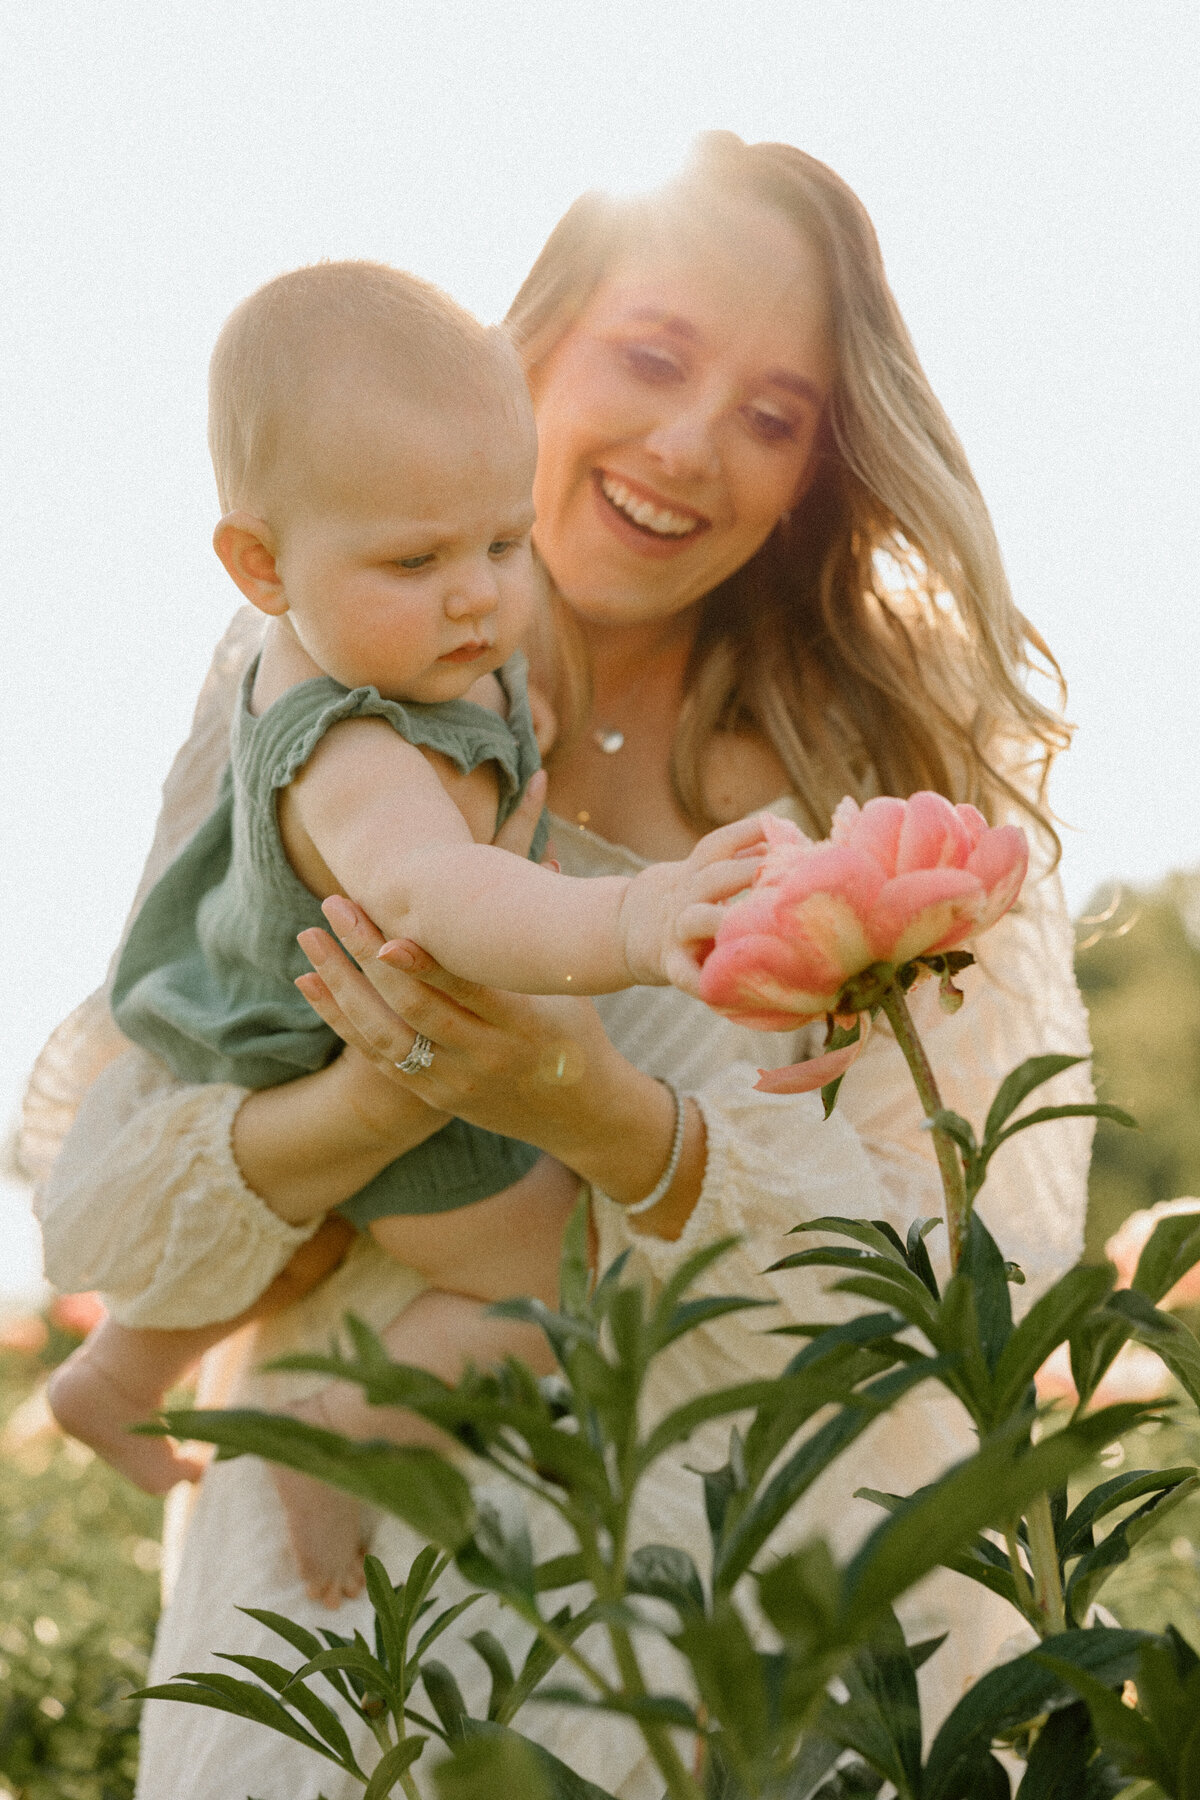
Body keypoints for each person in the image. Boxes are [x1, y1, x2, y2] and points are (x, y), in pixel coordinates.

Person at [26, 133, 1094, 1799]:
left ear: (823, 463)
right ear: (531, 351)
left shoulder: (882, 775)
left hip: (740, 1618)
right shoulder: (311, 673)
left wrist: (604, 1116)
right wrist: (384, 1109)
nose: (689, 446)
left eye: (775, 413)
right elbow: (109, 1192)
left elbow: (963, 1291)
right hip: (344, 1614)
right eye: (655, 356)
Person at [45, 258, 764, 1604]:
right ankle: (350, 1434)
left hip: (288, 1045)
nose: (479, 599)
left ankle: (119, 1373)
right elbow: (449, 898)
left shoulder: (369, 639)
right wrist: (642, 912)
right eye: (417, 560)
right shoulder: (353, 751)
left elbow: (478, 696)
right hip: (402, 1083)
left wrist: (503, 729)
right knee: (565, 1283)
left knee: (297, 1237)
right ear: (261, 563)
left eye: (503, 543)